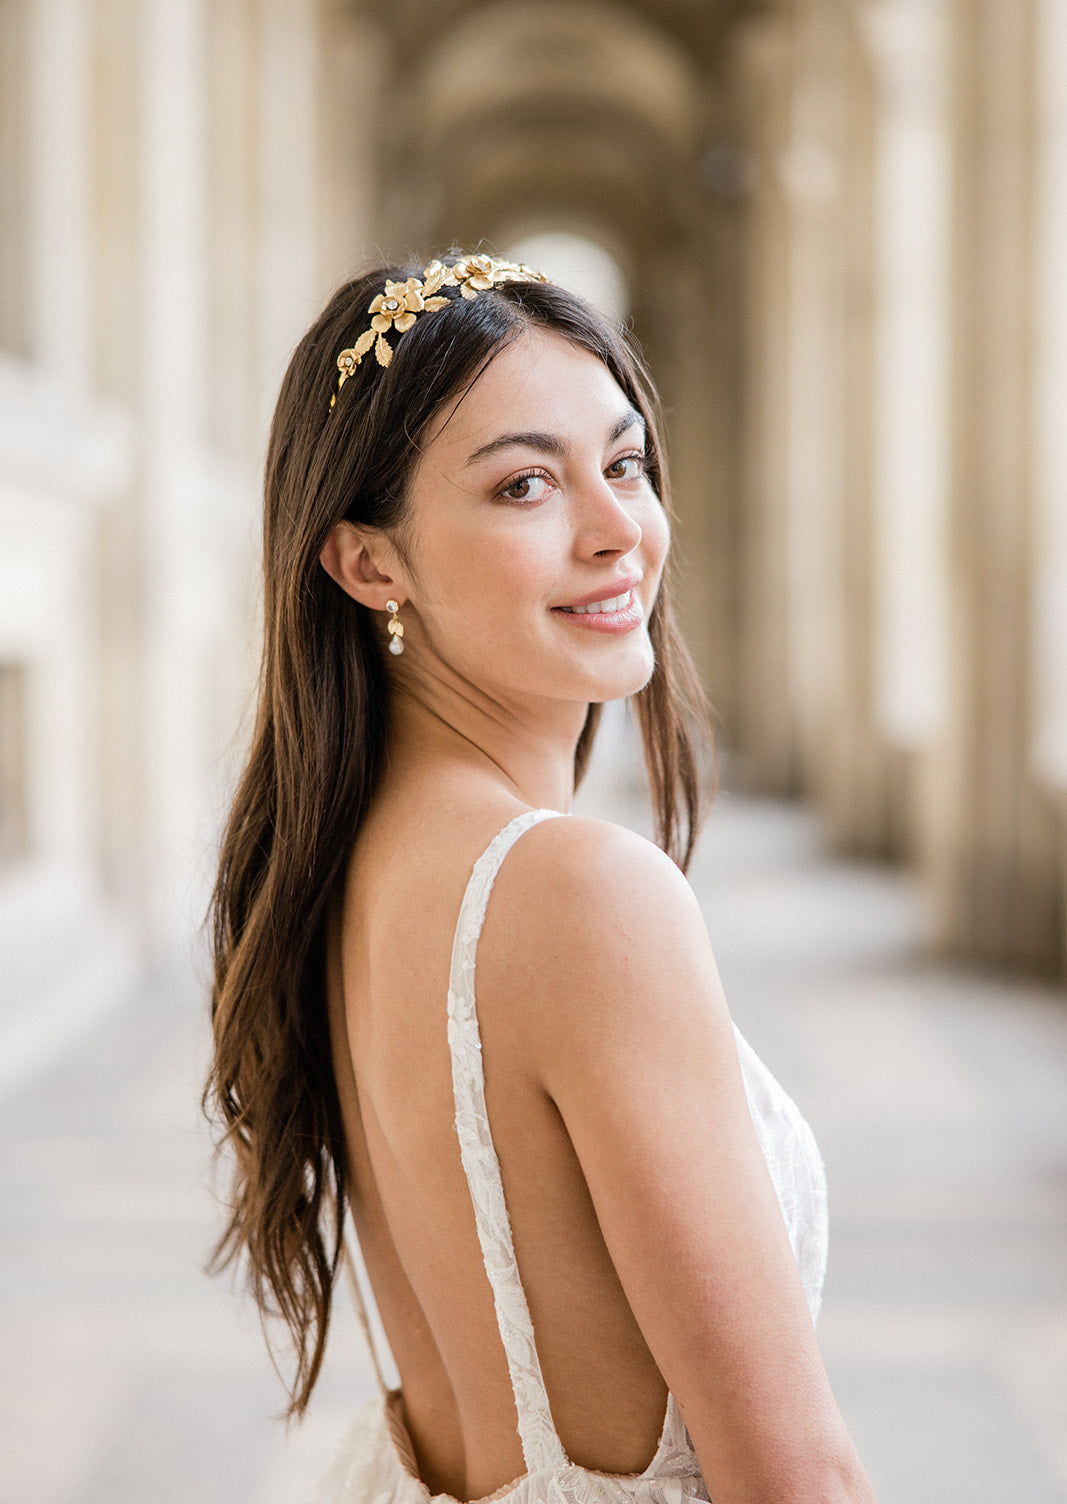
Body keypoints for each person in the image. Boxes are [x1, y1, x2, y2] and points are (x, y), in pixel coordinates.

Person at [206, 253, 879, 1504]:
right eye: (524, 484)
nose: (618, 526)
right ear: (368, 565)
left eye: (621, 463)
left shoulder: (350, 864)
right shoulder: (577, 893)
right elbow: (793, 1476)